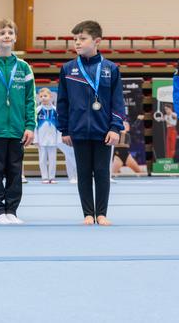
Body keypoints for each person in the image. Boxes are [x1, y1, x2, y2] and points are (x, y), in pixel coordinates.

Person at [57, 20, 125, 226]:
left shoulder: (110, 69)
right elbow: (63, 101)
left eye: (82, 39)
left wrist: (115, 128)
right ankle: (88, 213)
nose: (77, 43)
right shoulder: (68, 69)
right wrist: (65, 129)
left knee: (102, 172)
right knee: (84, 173)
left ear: (97, 41)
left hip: (103, 131)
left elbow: (117, 101)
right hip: (78, 131)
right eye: (75, 39)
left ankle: (101, 213)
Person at [0, 19, 36, 225]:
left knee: (15, 172)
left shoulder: (24, 67)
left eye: (10, 32)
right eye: (2, 33)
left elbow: (30, 99)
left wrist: (30, 126)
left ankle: (12, 210)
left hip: (18, 130)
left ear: (16, 38)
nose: (7, 36)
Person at [34, 88, 59, 184]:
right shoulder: (37, 110)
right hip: (41, 139)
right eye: (41, 96)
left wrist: (59, 139)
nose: (43, 98)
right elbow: (34, 126)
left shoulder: (55, 110)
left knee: (53, 159)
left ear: (51, 96)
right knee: (42, 159)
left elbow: (59, 126)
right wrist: (35, 139)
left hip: (53, 139)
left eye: (45, 96)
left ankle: (52, 177)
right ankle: (44, 177)